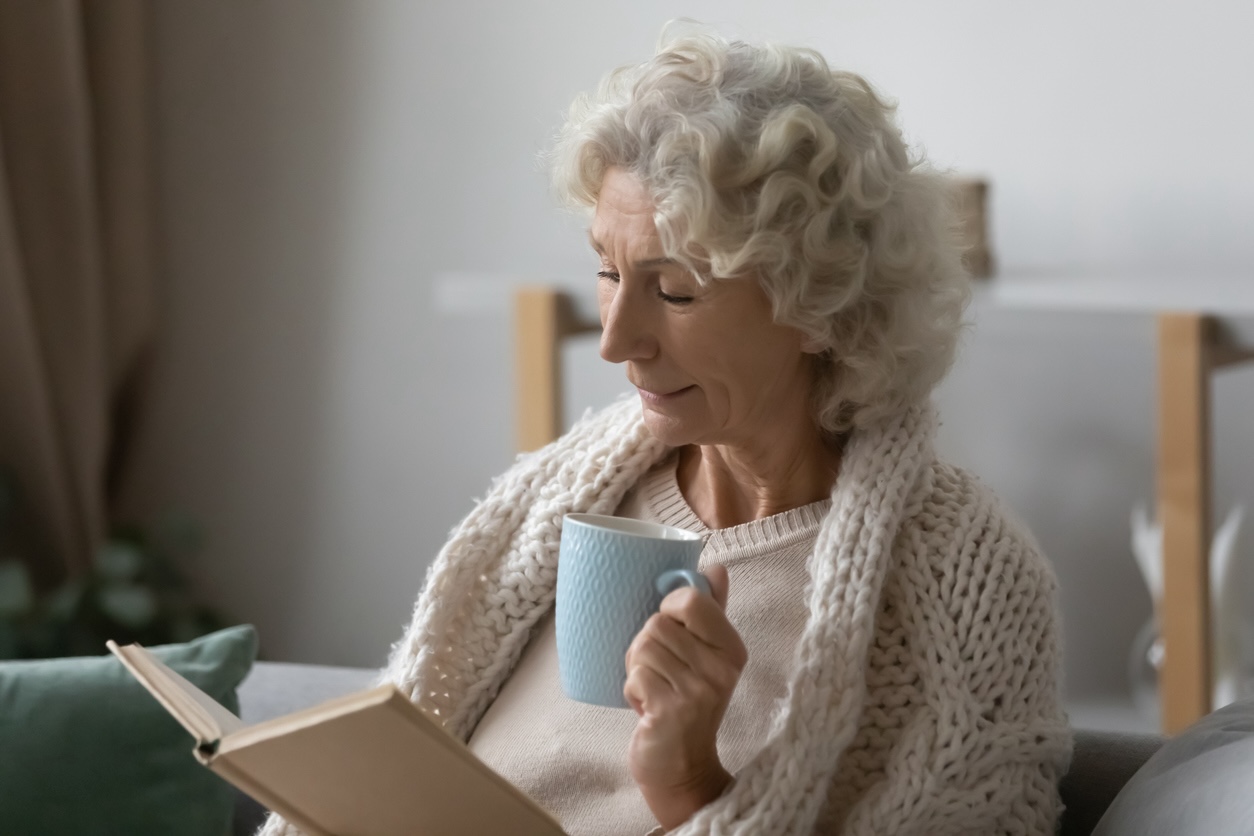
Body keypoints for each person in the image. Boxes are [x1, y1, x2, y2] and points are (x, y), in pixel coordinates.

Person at [260, 25, 1071, 836]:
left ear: (822, 306)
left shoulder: (963, 580)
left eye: (675, 291)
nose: (615, 340)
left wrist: (691, 784)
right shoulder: (562, 493)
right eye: (609, 274)